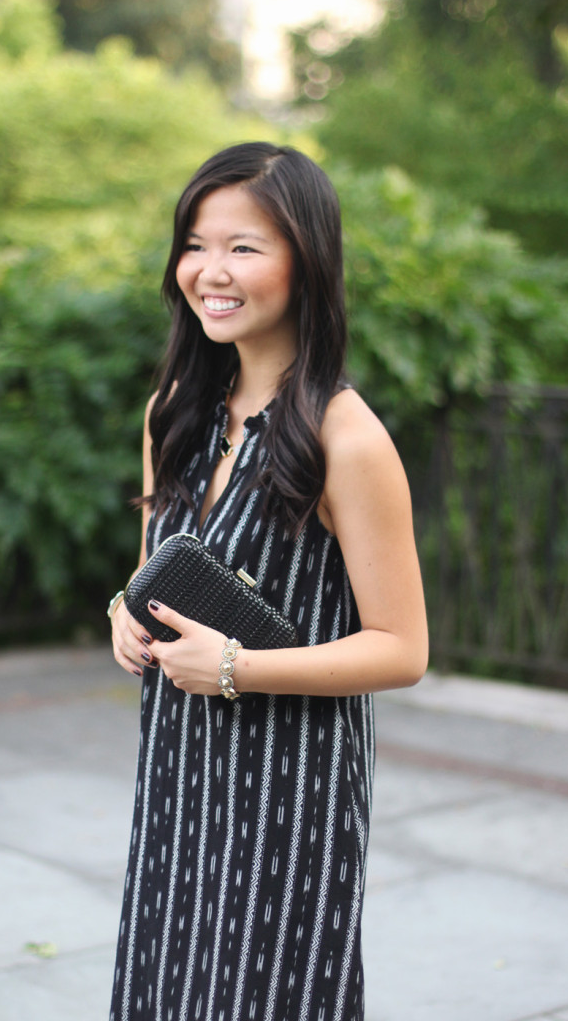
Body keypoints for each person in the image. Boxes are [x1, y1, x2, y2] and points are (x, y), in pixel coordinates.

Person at [108, 141, 428, 1021]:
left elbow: (401, 650)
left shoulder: (345, 440)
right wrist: (122, 612)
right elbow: (153, 566)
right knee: (166, 989)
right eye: (196, 244)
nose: (211, 271)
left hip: (292, 793)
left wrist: (235, 667)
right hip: (178, 770)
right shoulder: (173, 409)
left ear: (306, 261)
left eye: (243, 247)